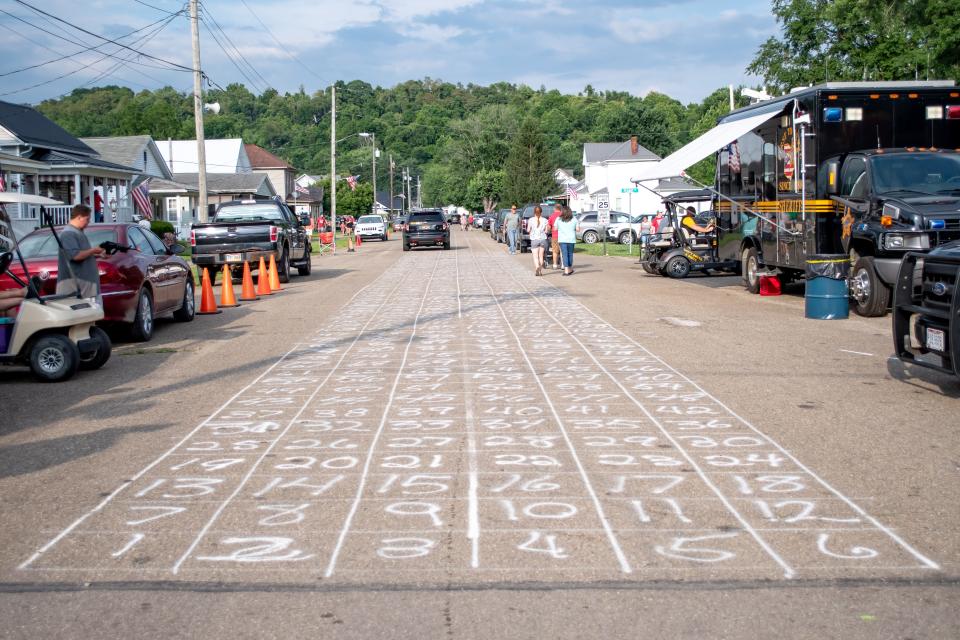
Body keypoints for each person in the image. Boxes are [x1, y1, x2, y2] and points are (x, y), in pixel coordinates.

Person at [56, 204, 105, 301]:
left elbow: (83, 254)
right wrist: (94, 250)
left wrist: (98, 254)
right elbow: (75, 256)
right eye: (87, 219)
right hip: (77, 289)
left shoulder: (77, 232)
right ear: (79, 217)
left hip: (87, 288)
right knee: (86, 315)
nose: (88, 222)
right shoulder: (68, 233)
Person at [527, 205, 549, 276]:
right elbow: (546, 231)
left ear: (534, 212)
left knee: (535, 256)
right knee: (541, 256)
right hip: (543, 239)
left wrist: (531, 232)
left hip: (534, 239)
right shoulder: (545, 220)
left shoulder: (530, 220)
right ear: (541, 212)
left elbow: (528, 230)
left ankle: (537, 268)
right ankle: (540, 270)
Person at [555, 205, 577, 276]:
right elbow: (578, 229)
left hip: (562, 239)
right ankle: (570, 269)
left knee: (564, 254)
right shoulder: (574, 219)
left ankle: (566, 270)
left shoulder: (558, 219)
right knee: (570, 254)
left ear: (562, 212)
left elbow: (555, 229)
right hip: (571, 239)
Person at [546, 203, 562, 270]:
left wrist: (548, 231)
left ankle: (555, 264)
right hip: (563, 235)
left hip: (555, 235)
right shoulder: (563, 215)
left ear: (554, 208)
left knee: (555, 251)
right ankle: (563, 265)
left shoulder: (552, 216)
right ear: (561, 208)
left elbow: (549, 227)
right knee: (562, 250)